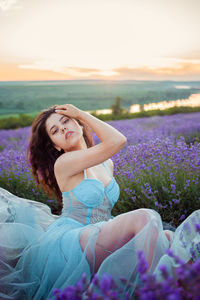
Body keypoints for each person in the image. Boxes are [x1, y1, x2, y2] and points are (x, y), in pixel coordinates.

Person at [0, 104, 199, 299]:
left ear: (78, 125)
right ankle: (159, 291)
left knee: (167, 237)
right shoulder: (64, 163)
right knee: (145, 218)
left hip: (102, 231)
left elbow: (112, 146)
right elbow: (118, 140)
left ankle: (182, 288)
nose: (63, 128)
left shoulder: (106, 163)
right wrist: (81, 114)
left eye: (66, 121)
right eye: (55, 131)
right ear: (56, 145)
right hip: (73, 238)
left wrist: (79, 117)